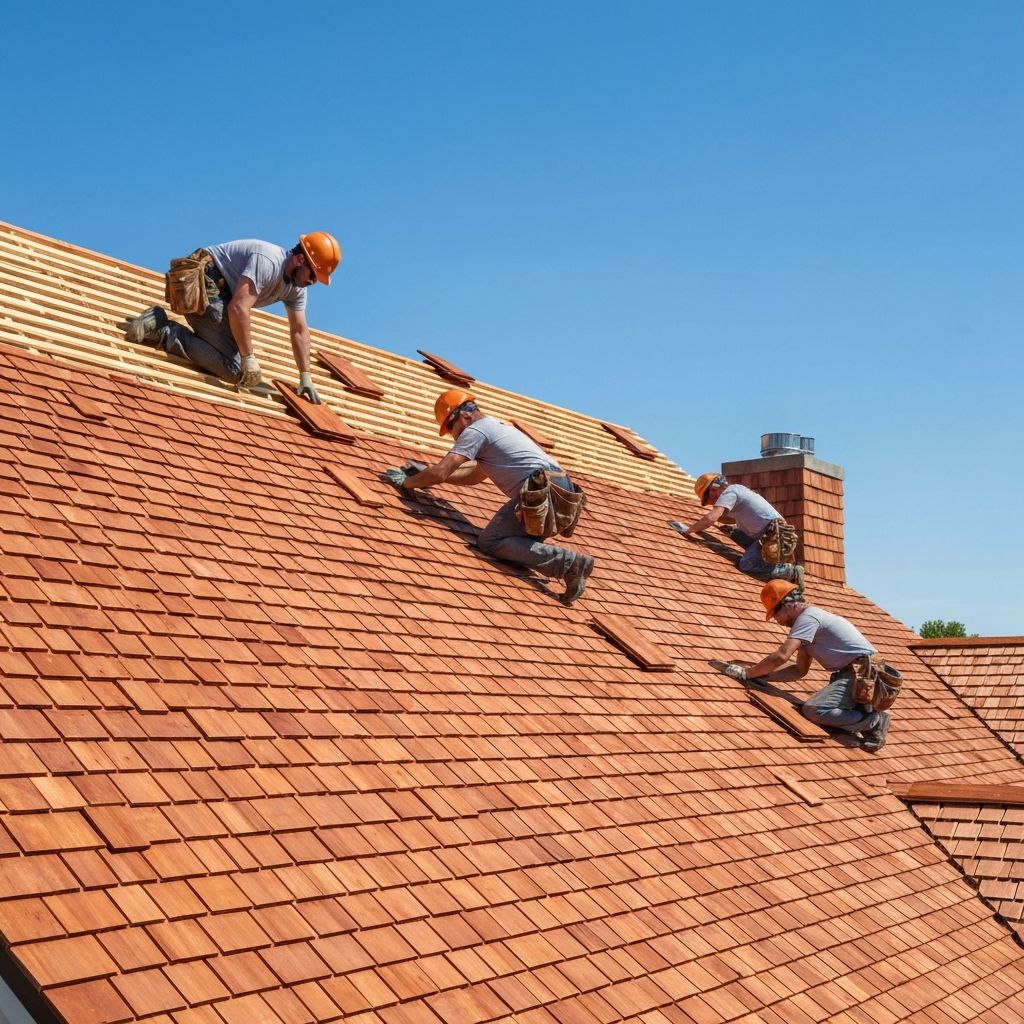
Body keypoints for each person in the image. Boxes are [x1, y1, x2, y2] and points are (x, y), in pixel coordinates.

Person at [386, 389, 595, 604]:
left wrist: (407, 482)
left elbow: (441, 472)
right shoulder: (495, 428)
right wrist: (426, 474)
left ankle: (569, 564)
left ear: (464, 415)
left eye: (450, 427)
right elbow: (472, 476)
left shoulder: (475, 432)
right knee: (516, 545)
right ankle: (567, 567)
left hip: (540, 490)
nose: (453, 435)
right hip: (562, 490)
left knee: (491, 542)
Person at [124, 232, 341, 401]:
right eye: (313, 275)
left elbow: (299, 331)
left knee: (234, 362)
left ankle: (175, 331)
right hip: (200, 281)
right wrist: (248, 357)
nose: (313, 282)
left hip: (223, 295)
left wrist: (305, 376)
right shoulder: (268, 261)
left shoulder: (297, 288)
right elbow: (238, 308)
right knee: (235, 369)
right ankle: (164, 329)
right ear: (300, 260)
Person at [716, 580, 893, 753]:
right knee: (820, 710)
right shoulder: (808, 624)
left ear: (788, 605)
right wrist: (763, 675)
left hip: (863, 672)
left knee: (814, 710)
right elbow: (799, 670)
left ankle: (874, 721)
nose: (777, 620)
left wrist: (747, 673)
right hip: (857, 673)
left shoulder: (808, 618)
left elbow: (782, 655)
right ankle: (862, 716)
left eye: (775, 613)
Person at [683, 473, 803, 587]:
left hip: (773, 535)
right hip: (774, 534)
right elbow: (730, 519)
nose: (710, 503)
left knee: (746, 565)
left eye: (706, 499)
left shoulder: (729, 493)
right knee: (735, 534)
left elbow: (711, 518)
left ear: (713, 490)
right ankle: (779, 569)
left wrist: (688, 530)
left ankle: (790, 572)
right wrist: (720, 523)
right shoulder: (737, 490)